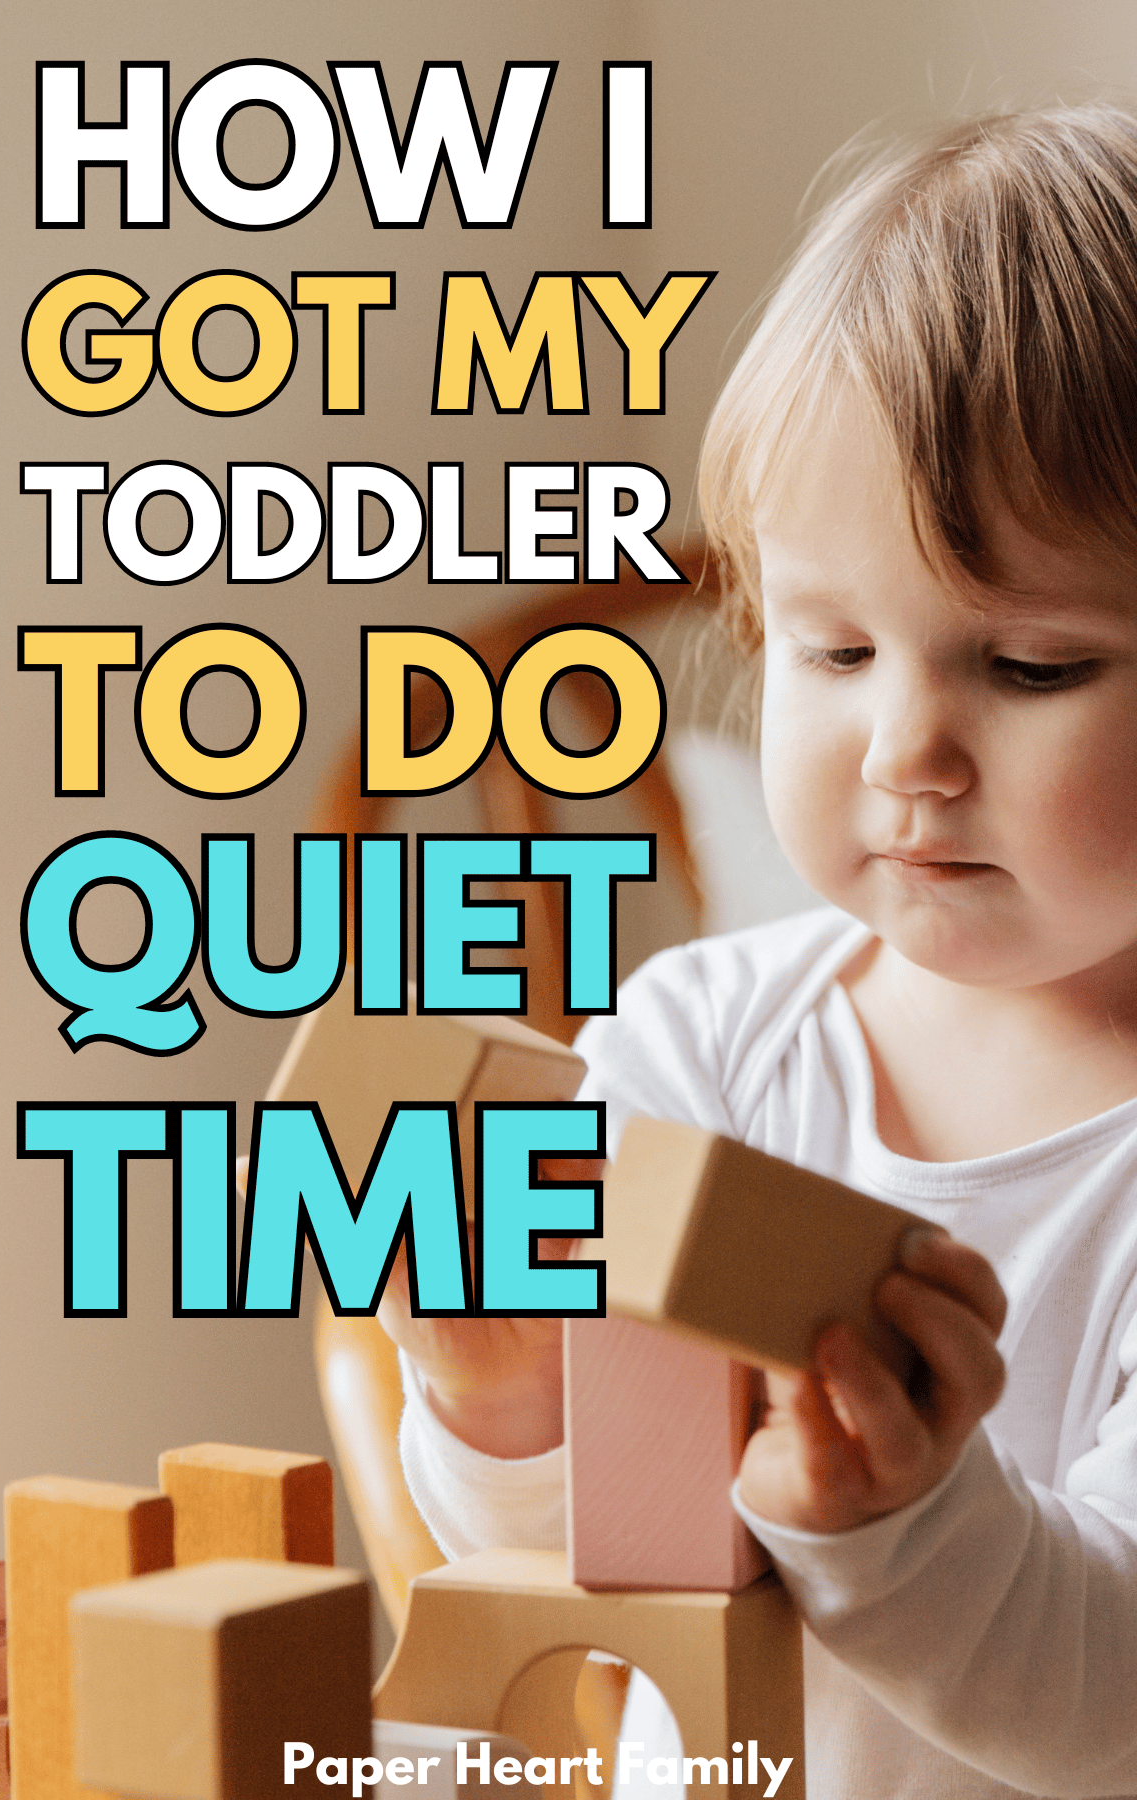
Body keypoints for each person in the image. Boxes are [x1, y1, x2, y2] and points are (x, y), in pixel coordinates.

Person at [379, 106, 1137, 1799]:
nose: (903, 754)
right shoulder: (696, 1045)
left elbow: (1114, 1703)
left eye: (1028, 667)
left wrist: (907, 1526)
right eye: (838, 645)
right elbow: (606, 1582)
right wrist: (504, 1405)